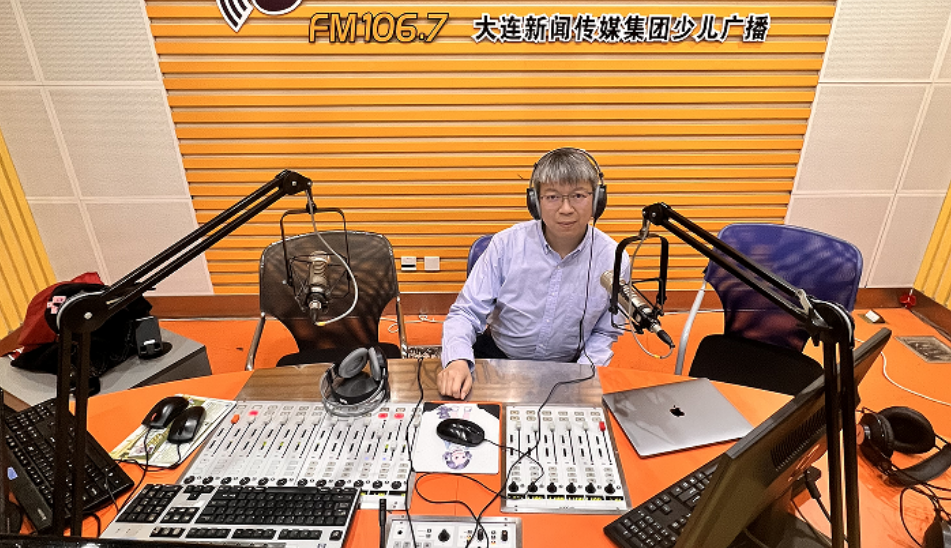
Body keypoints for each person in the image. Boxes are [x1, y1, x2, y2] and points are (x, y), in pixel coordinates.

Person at [438, 148, 631, 399]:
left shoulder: (614, 258)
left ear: (597, 200)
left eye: (578, 195)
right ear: (535, 202)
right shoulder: (505, 245)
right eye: (552, 197)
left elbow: (605, 331)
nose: (566, 209)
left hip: (570, 366)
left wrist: (583, 374)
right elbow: (466, 312)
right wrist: (457, 360)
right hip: (498, 358)